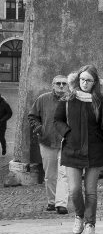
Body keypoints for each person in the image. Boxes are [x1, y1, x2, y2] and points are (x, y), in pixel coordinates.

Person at [55, 66, 103, 234]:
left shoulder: (100, 100)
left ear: (95, 83)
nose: (84, 83)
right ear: (77, 80)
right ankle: (79, 215)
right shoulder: (68, 98)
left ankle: (90, 224)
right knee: (74, 190)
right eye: (82, 80)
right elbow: (58, 120)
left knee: (91, 191)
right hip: (72, 149)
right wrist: (68, 134)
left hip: (94, 150)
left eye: (88, 80)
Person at [27, 75, 69, 213]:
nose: (61, 86)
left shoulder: (71, 100)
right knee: (50, 174)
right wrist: (39, 128)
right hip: (47, 141)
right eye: (58, 83)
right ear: (53, 85)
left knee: (64, 174)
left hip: (66, 142)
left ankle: (61, 203)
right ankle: (52, 201)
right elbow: (32, 116)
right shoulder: (43, 99)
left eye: (64, 83)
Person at [0, 92, 11, 156]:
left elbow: (9, 113)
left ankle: (4, 149)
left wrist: (3, 119)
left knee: (1, 138)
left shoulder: (4, 104)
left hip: (2, 124)